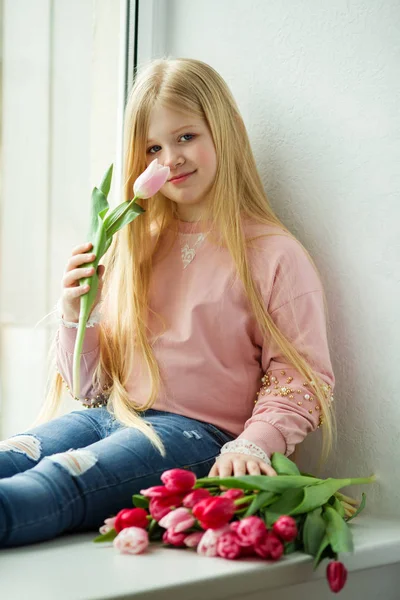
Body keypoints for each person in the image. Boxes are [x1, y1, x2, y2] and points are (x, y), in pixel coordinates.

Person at [0, 57, 335, 548]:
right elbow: (88, 387)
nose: (171, 158)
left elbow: (302, 379)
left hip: (197, 436)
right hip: (112, 413)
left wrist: (253, 444)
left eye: (186, 137)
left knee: (57, 482)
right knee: (16, 453)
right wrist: (78, 314)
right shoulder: (134, 246)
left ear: (229, 130)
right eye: (153, 147)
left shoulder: (273, 254)